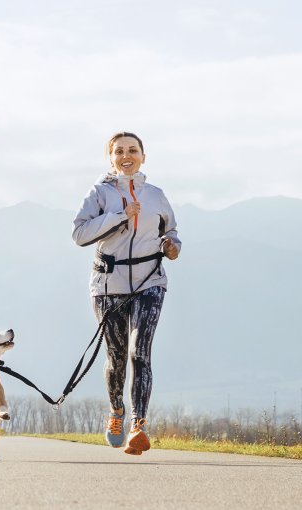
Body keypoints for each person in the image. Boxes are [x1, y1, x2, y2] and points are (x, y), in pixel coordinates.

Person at [72, 132, 181, 455]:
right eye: (119, 151)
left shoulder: (157, 195)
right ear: (111, 158)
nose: (126, 156)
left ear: (143, 157)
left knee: (140, 352)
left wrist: (172, 246)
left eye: (133, 150)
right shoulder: (99, 193)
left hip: (150, 281)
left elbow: (171, 230)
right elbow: (78, 234)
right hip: (109, 284)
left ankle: (139, 425)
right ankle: (116, 411)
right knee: (117, 358)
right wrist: (121, 215)